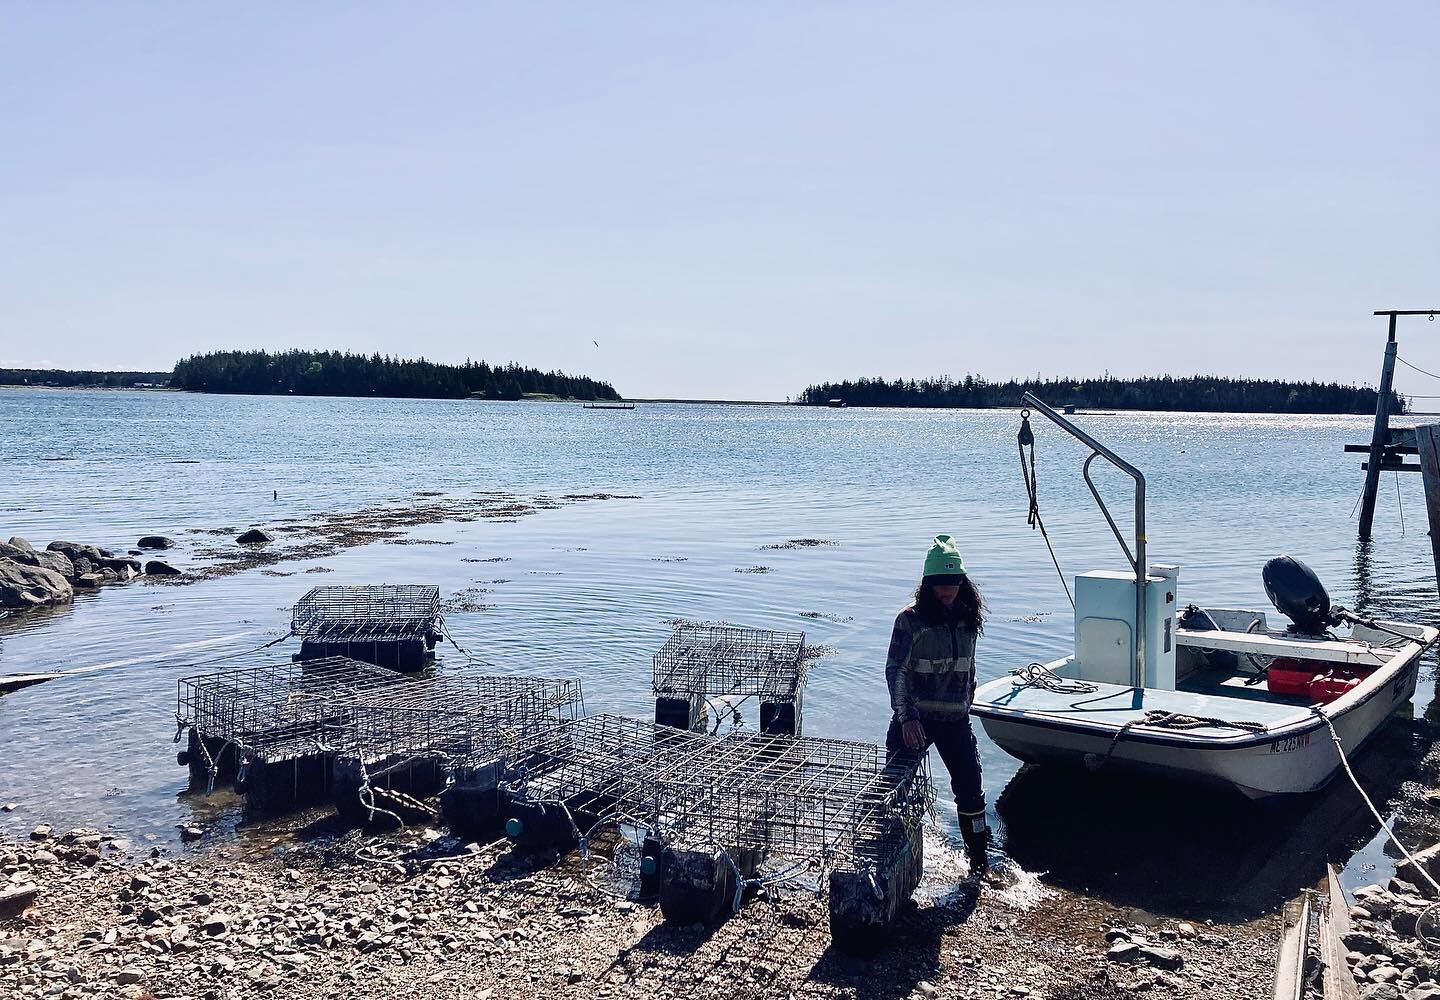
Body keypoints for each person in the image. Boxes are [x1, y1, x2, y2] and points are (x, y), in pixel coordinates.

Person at [884, 533, 991, 875]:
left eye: (953, 582)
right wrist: (907, 718)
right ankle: (890, 857)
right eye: (939, 583)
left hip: (956, 721)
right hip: (914, 720)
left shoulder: (967, 618)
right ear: (927, 584)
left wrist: (968, 701)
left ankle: (979, 864)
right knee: (896, 787)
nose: (946, 590)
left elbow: (969, 667)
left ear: (962, 582)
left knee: (971, 793)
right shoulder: (910, 620)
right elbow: (895, 670)